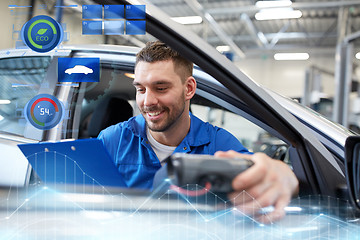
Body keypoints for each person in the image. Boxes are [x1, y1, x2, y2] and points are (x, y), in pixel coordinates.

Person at [98, 41, 298, 223]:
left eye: (160, 88)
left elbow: (261, 174)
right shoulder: (112, 140)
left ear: (189, 89)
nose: (147, 102)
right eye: (141, 89)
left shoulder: (217, 143)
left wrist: (282, 174)